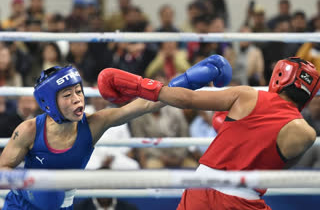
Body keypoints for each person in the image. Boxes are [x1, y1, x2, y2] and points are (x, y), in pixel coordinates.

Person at [0, 54, 231, 210]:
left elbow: (143, 105)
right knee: (49, 194)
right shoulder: (29, 130)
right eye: (67, 95)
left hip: (62, 207)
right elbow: (2, 169)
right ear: (50, 102)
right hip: (19, 206)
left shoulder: (93, 125)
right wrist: (31, 185)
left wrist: (187, 81)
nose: (77, 99)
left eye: (78, 92)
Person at [98, 56, 320, 210]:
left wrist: (140, 86)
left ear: (280, 75)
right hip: (245, 199)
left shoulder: (248, 96)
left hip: (200, 190)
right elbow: (275, 165)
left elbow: (187, 99)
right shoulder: (306, 133)